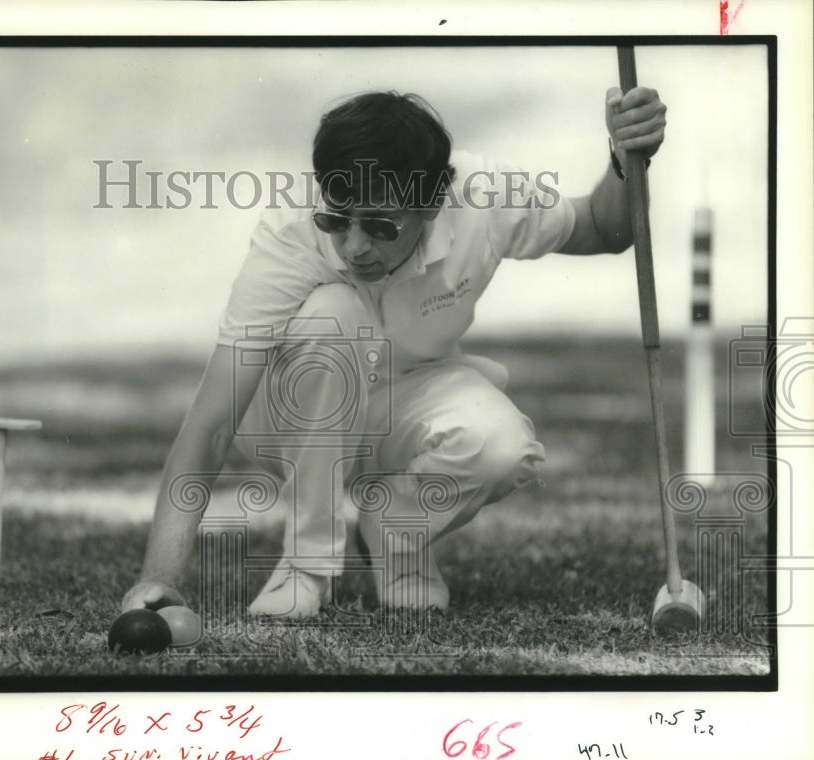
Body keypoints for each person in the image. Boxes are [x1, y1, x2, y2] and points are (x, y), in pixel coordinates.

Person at [122, 85, 667, 619]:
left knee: (502, 446)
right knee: (332, 314)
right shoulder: (286, 236)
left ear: (432, 204)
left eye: (380, 225)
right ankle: (304, 567)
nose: (355, 245)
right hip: (295, 410)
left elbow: (602, 227)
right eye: (337, 219)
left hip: (415, 389)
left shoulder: (483, 193)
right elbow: (211, 425)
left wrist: (624, 160)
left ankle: (392, 530)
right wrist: (158, 579)